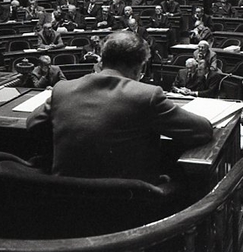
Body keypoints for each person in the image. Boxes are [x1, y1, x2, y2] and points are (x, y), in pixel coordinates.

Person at [26, 31, 213, 183]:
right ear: (138, 67)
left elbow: (32, 123)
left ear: (102, 59)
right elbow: (202, 130)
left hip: (68, 200)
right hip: (132, 207)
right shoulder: (147, 95)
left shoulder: (62, 89)